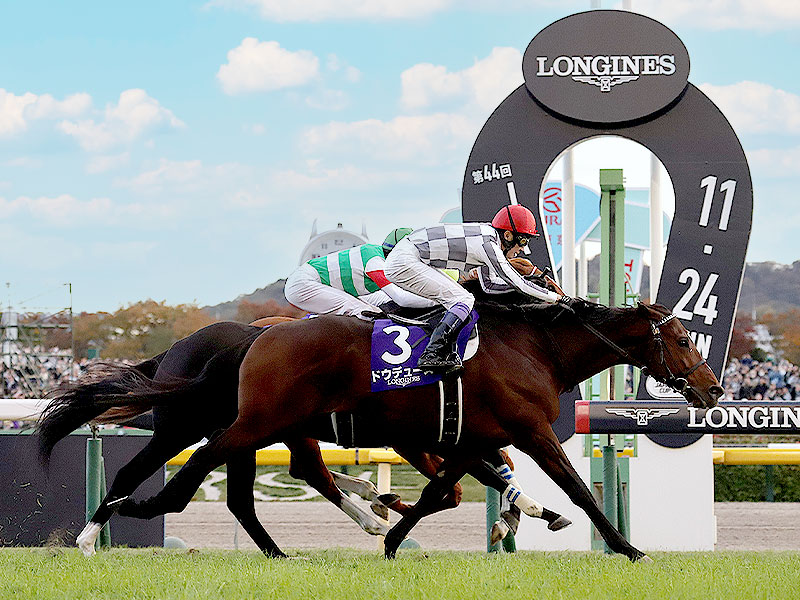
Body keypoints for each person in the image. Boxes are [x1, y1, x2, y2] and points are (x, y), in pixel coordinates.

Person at [383, 205, 572, 371]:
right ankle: (432, 353)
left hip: (412, 258)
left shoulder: (486, 239)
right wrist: (557, 298)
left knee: (459, 298)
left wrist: (527, 288)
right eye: (523, 241)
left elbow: (489, 286)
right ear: (508, 235)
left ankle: (438, 347)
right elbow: (519, 283)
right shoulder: (488, 244)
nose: (523, 249)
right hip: (406, 260)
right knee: (463, 299)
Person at [284, 229, 435, 320]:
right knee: (366, 313)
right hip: (303, 283)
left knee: (376, 307)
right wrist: (439, 301)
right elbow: (401, 298)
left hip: (314, 282)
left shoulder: (379, 258)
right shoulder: (375, 262)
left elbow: (392, 296)